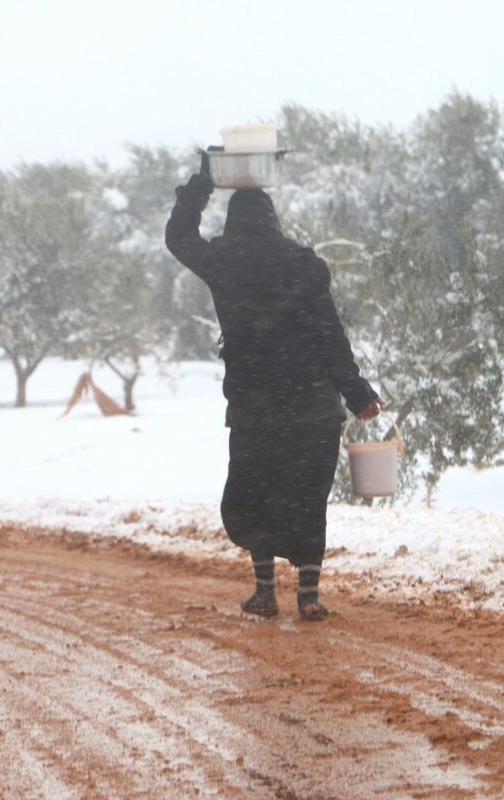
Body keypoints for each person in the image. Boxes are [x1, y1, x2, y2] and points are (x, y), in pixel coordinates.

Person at [165, 154, 381, 622]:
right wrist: (357, 392)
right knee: (307, 494)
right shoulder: (304, 266)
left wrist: (203, 182)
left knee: (257, 493)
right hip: (311, 405)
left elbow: (178, 238)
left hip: (255, 405)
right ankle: (309, 596)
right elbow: (330, 334)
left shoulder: (223, 262)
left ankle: (264, 592)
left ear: (234, 223)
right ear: (274, 220)